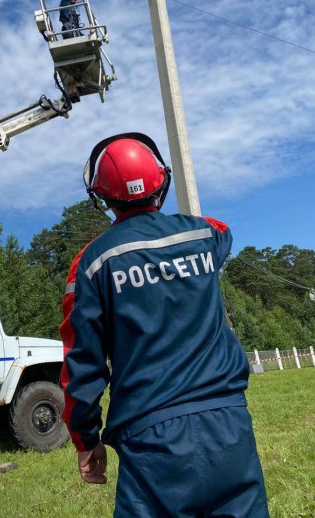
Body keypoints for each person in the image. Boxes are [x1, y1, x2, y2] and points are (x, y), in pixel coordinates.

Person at [60, 133, 270, 517]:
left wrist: (85, 440)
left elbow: (81, 364)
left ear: (102, 197)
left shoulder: (91, 264)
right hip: (229, 423)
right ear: (162, 181)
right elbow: (222, 229)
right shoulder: (203, 235)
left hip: (152, 440)